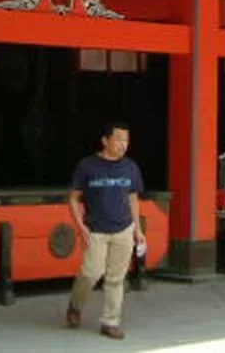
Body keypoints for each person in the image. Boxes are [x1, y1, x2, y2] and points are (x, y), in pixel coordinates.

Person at [66, 121, 146, 340]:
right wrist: (80, 226)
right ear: (105, 140)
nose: (123, 144)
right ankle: (75, 305)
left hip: (124, 229)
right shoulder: (87, 166)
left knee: (116, 279)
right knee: (90, 273)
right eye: (119, 139)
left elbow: (133, 199)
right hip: (96, 230)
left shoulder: (130, 167)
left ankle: (110, 322)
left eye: (126, 140)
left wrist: (137, 230)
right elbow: (73, 198)